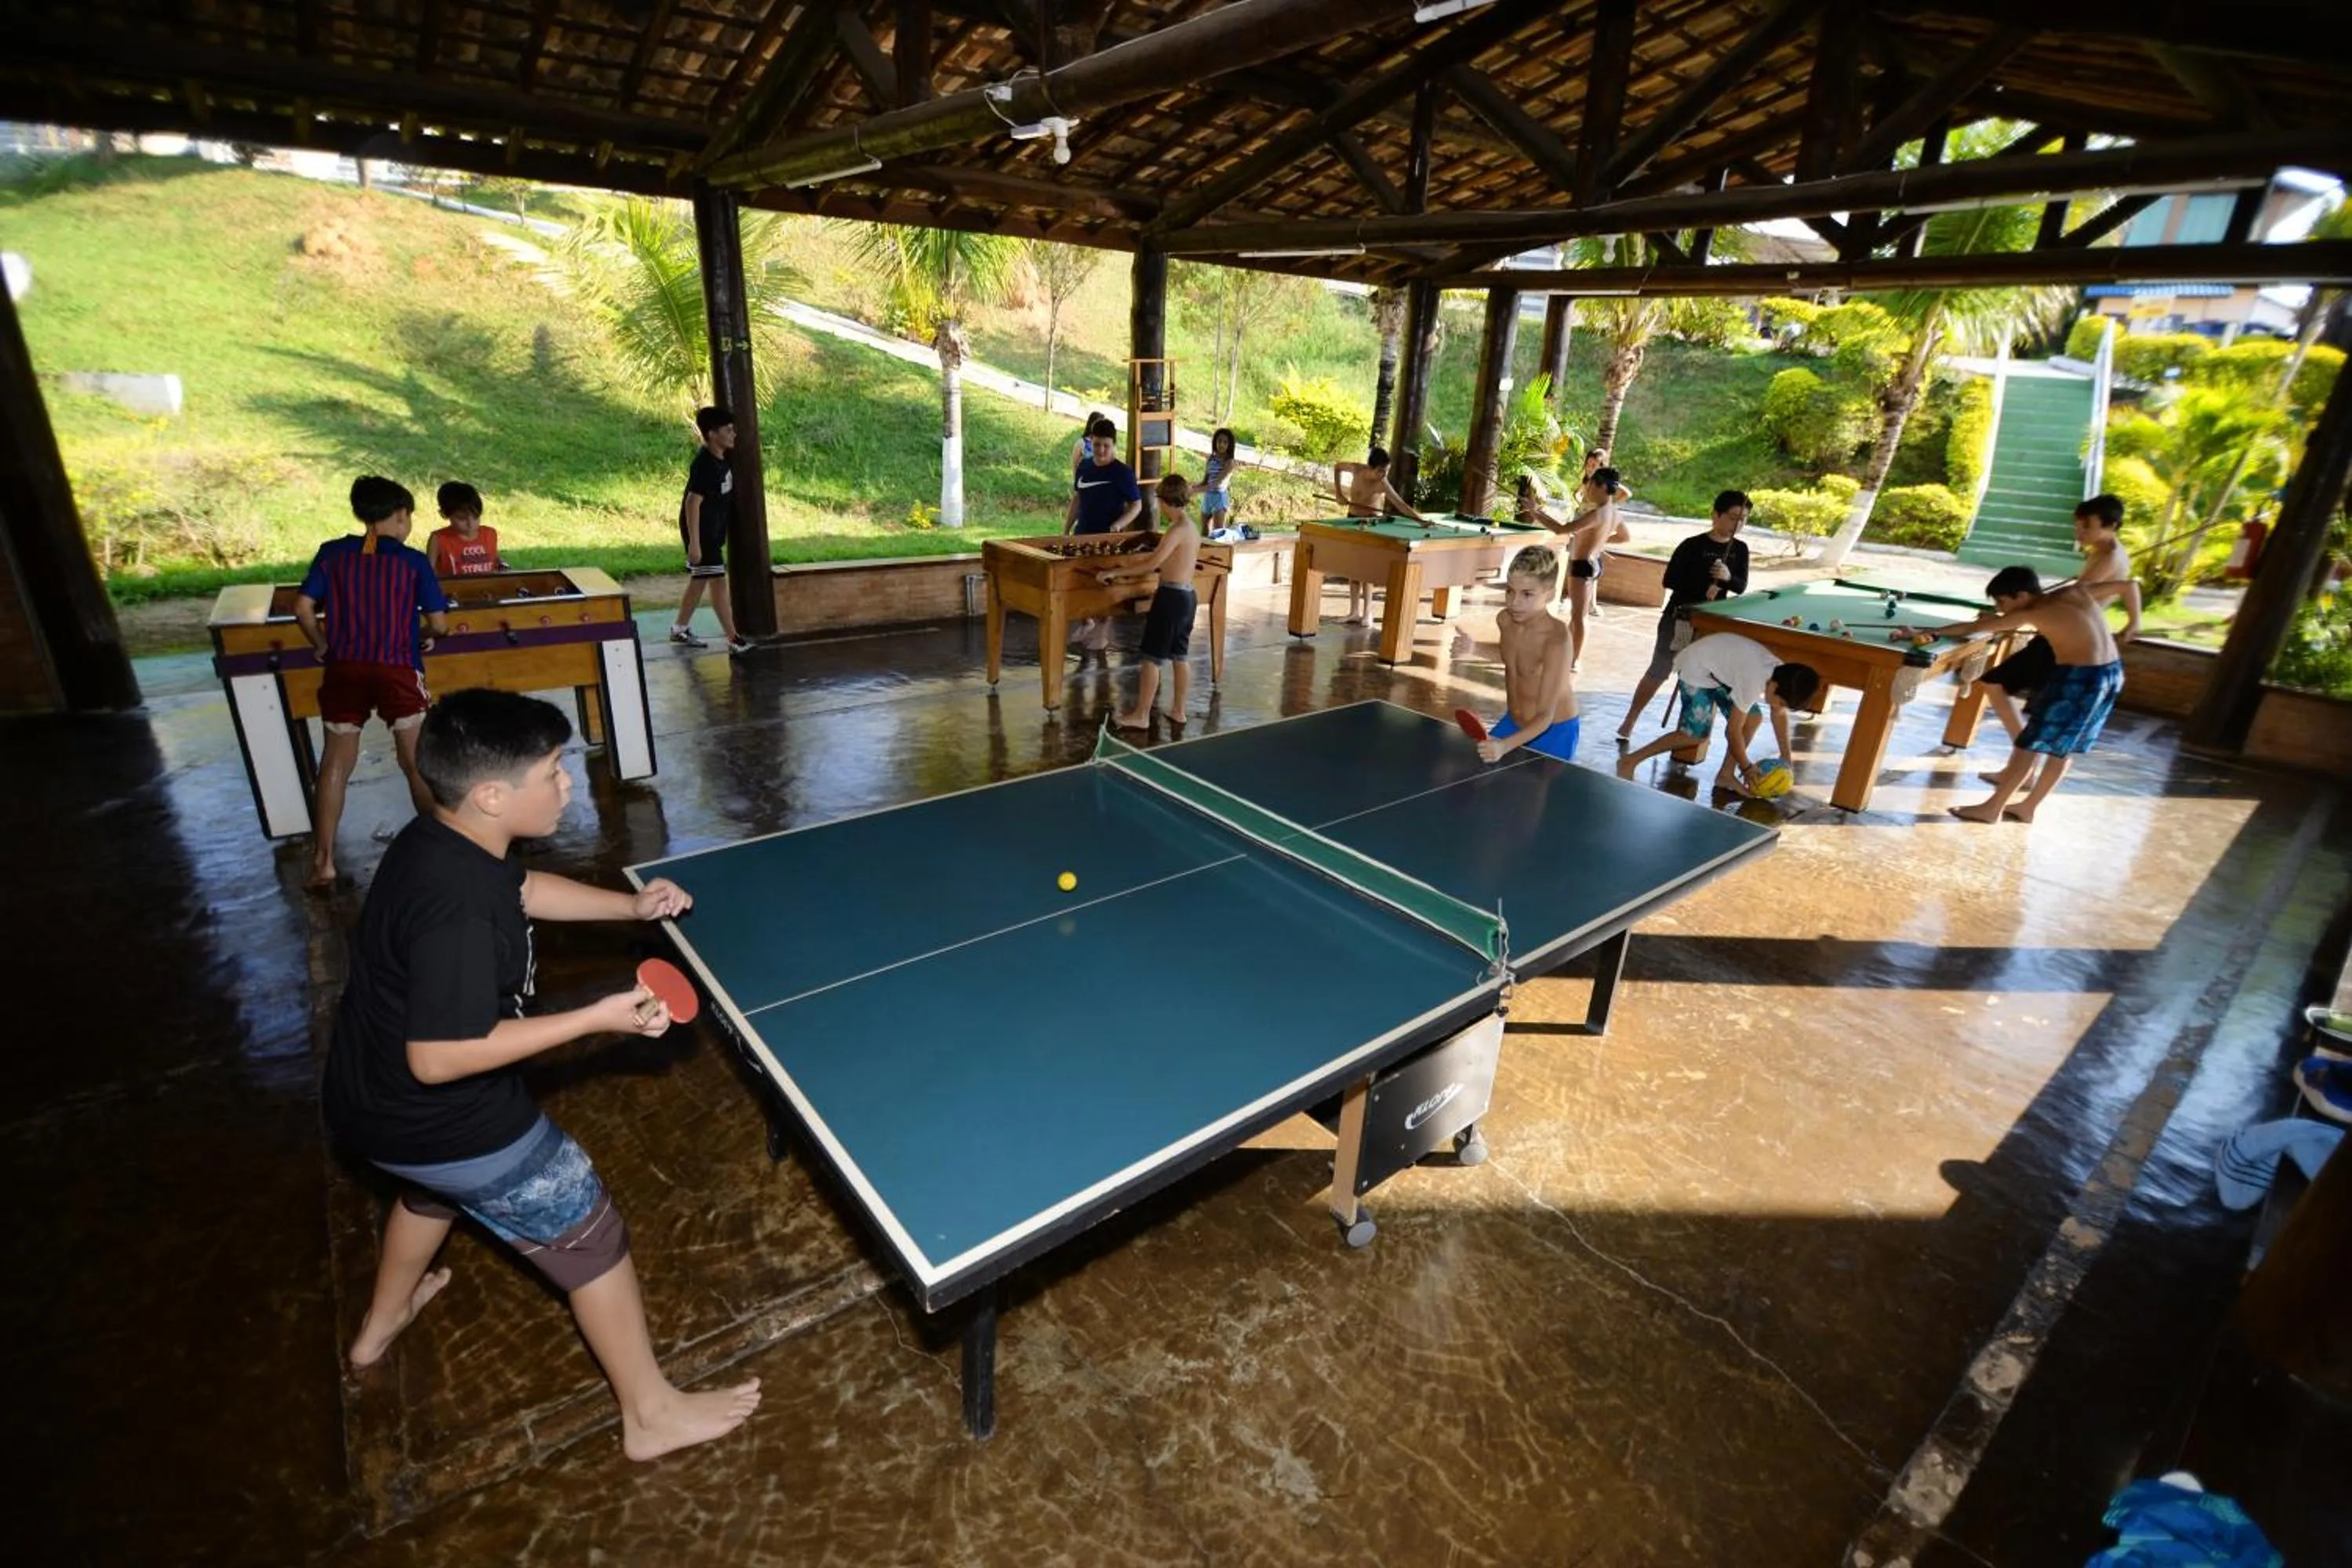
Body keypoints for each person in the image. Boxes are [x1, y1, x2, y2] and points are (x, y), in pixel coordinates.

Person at [326, 688, 762, 1461]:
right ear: (494, 793)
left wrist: (630, 912)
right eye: (555, 770)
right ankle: (650, 1413)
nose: (567, 783)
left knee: (431, 1191)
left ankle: (378, 1328)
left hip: (368, 1103)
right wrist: (594, 1016)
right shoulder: (453, 906)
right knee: (589, 1231)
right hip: (443, 1112)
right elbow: (440, 1056)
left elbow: (522, 891)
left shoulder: (445, 837)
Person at [293, 476, 450, 891]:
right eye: (408, 517)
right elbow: (439, 623)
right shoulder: (413, 562)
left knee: (336, 761)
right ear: (399, 517)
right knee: (415, 761)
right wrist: (423, 634)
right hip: (397, 670)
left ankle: (324, 861)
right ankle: (444, 854)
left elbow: (303, 607)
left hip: (343, 670)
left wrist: (322, 645)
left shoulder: (332, 554)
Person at [1972, 494, 2143, 784]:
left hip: (2066, 645)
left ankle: (2024, 767)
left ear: (2111, 525)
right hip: (2064, 638)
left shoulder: (2111, 556)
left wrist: (2134, 622)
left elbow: (2090, 594)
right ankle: (2022, 767)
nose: (2080, 532)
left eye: (2087, 526)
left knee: (2001, 688)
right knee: (2003, 689)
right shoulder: (2101, 551)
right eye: (2078, 525)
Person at [1943, 566, 2128, 825]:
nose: (2002, 608)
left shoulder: (2037, 612)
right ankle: (2027, 808)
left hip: (2079, 680)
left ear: (2021, 595)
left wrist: (1925, 632)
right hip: (2111, 673)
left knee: (2028, 745)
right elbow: (2129, 586)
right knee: (2063, 749)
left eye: (2003, 602)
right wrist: (2135, 623)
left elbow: (1977, 627)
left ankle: (1992, 809)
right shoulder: (2072, 592)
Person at [1617, 631, 1822, 797]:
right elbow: (1732, 732)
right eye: (1781, 702)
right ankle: (1630, 760)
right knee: (1695, 736)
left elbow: (1778, 714)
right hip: (1697, 669)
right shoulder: (1755, 680)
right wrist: (1747, 768)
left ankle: (1725, 775)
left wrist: (1786, 756)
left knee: (1753, 718)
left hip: (1719, 674)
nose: (1778, 707)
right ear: (1775, 686)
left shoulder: (1780, 673)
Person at [1619, 491, 1752, 741]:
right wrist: (1705, 583)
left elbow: (1740, 585)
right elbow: (1670, 580)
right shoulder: (1692, 545)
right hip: (1679, 617)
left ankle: (1687, 733)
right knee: (1659, 670)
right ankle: (1630, 720)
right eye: (1734, 517)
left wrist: (1726, 578)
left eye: (1744, 519)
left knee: (1697, 678)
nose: (1739, 524)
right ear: (1716, 515)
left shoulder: (1740, 550)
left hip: (1711, 624)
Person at [1450, 545, 1580, 763]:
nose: (1514, 602)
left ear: (1550, 595)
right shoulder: (1505, 620)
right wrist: (1475, 649)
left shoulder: (1557, 640)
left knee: (1536, 796)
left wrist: (1504, 746)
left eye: (1527, 594)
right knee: (1480, 778)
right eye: (1510, 591)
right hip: (1515, 722)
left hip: (1553, 731)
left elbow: (1545, 716)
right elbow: (1513, 657)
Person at [1099, 474, 1203, 729]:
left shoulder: (1176, 530)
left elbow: (1152, 563)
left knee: (1151, 657)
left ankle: (1142, 715)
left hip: (1172, 597)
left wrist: (1114, 572)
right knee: (1180, 656)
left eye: (1160, 501)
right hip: (1187, 596)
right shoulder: (1191, 527)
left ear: (1166, 501)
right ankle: (1179, 711)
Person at [671, 406, 753, 655]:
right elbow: (692, 502)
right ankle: (733, 638)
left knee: (700, 581)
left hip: (713, 532)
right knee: (718, 582)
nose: (733, 435)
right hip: (703, 533)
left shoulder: (721, 461)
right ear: (712, 434)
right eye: (728, 430)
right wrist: (695, 543)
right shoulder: (705, 465)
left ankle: (679, 629)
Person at [1064, 419, 1143, 655]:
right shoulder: (1084, 467)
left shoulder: (1122, 473)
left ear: (1113, 445)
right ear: (1091, 442)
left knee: (1104, 584)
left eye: (1106, 446)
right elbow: (1077, 500)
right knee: (1080, 580)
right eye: (1097, 445)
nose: (1101, 450)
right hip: (1083, 534)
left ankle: (1103, 630)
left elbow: (1136, 505)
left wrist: (1119, 525)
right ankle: (1086, 621)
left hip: (1109, 539)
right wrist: (1066, 528)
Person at [1554, 465, 1632, 670]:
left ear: (1601, 487)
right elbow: (1624, 537)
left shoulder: (1597, 514)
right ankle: (1569, 654)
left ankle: (1574, 660)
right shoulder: (1613, 512)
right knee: (1578, 616)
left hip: (1583, 565)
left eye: (1590, 485)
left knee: (1579, 617)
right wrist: (1600, 541)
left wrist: (1534, 510)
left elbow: (1560, 529)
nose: (1587, 489)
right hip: (1594, 562)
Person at [1335, 447, 1424, 625]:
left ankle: (1367, 613)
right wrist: (1339, 493)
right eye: (1380, 471)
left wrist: (1420, 520)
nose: (1384, 475)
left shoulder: (1383, 484)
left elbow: (1400, 504)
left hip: (1372, 524)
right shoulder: (1357, 469)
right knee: (1353, 568)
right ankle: (1353, 612)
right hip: (1352, 520)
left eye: (1387, 471)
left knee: (1367, 568)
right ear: (1371, 467)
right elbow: (1337, 466)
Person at [425, 482, 505, 578]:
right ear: (444, 514)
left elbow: (495, 559)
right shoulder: (439, 539)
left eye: (476, 517)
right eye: (462, 518)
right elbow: (428, 574)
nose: (470, 523)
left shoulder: (490, 534)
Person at [1199, 427, 1239, 535]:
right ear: (1215, 442)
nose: (1221, 444)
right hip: (1208, 496)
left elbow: (1217, 483)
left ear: (1229, 445)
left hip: (1219, 497)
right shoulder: (1210, 459)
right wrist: (1191, 486)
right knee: (1204, 530)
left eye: (1225, 442)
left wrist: (1195, 491)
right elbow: (1205, 482)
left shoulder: (1230, 462)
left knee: (1218, 533)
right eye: (1219, 441)